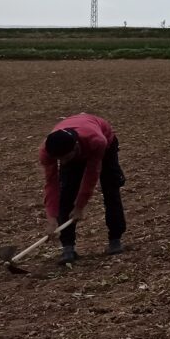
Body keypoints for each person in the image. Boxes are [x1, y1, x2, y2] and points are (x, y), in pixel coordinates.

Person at [39, 113, 127, 264]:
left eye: (65, 158)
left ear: (76, 147)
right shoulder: (47, 152)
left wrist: (80, 206)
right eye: (59, 160)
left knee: (110, 189)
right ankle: (68, 247)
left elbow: (92, 174)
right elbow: (51, 184)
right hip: (77, 147)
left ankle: (115, 239)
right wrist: (51, 218)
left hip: (105, 145)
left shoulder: (97, 141)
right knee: (66, 195)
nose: (63, 163)